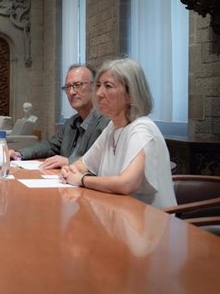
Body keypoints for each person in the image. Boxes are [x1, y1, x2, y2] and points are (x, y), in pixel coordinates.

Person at [59, 58, 176, 209]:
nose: (99, 93)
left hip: (151, 223)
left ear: (130, 94)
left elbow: (127, 183)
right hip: (120, 216)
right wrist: (71, 169)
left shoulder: (142, 129)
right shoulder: (112, 128)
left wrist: (82, 180)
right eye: (99, 85)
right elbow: (83, 164)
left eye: (108, 86)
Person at [10, 64, 109, 169]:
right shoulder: (72, 122)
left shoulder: (106, 123)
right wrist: (19, 154)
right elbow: (50, 145)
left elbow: (105, 161)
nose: (71, 92)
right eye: (67, 87)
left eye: (78, 85)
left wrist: (69, 162)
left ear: (94, 87)